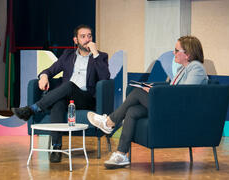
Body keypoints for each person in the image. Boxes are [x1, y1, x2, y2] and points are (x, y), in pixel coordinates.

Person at [87, 35, 208, 169]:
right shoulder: (182, 69)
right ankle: (121, 154)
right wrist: (155, 89)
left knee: (138, 93)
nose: (173, 53)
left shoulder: (196, 68)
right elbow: (174, 90)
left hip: (179, 112)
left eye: (176, 50)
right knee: (132, 111)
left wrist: (155, 92)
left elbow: (185, 94)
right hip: (172, 106)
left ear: (188, 54)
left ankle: (109, 122)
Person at [12, 24, 110, 163]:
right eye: (83, 36)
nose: (87, 39)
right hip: (67, 97)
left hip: (86, 98)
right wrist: (44, 76)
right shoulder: (68, 55)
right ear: (75, 40)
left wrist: (95, 54)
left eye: (89, 36)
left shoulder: (100, 56)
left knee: (69, 85)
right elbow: (50, 70)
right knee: (58, 103)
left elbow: (105, 78)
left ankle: (34, 108)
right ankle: (56, 149)